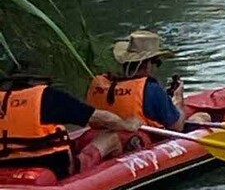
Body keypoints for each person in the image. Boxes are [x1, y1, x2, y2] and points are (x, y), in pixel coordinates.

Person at [0, 69, 140, 178]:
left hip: (6, 166)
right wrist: (127, 125)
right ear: (38, 81)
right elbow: (100, 118)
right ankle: (110, 175)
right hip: (55, 169)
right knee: (111, 138)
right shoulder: (47, 97)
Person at [86, 30, 210, 134]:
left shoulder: (101, 83)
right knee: (203, 117)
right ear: (147, 64)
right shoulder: (151, 89)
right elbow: (177, 127)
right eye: (157, 62)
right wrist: (178, 99)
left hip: (104, 134)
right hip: (141, 139)